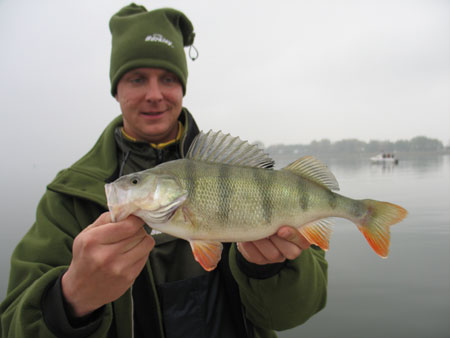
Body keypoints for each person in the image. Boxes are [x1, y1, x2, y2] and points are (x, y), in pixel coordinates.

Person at [0, 4, 327, 338]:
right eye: (137, 78)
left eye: (168, 79)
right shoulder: (69, 199)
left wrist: (268, 268)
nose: (154, 95)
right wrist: (70, 302)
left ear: (182, 87)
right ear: (117, 90)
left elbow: (295, 313)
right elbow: (13, 326)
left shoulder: (231, 170)